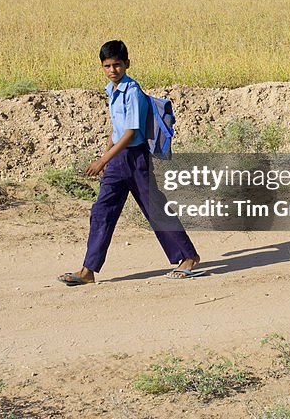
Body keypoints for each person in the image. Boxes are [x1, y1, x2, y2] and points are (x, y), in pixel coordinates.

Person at [58, 40, 200, 286]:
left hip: (135, 159)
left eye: (117, 65)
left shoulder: (132, 91)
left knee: (154, 208)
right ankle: (87, 270)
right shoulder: (111, 90)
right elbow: (116, 128)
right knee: (102, 211)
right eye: (107, 66)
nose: (112, 70)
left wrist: (103, 159)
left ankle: (188, 257)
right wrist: (108, 156)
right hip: (116, 160)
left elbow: (132, 132)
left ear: (127, 64)